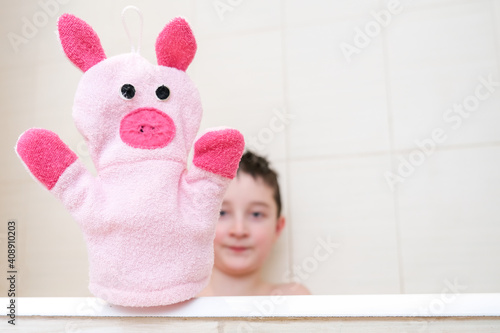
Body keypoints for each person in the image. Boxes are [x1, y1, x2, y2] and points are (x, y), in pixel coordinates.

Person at [199, 151, 310, 296]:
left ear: (277, 228)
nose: (239, 230)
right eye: (222, 213)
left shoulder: (292, 299)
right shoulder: (177, 302)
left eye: (256, 214)